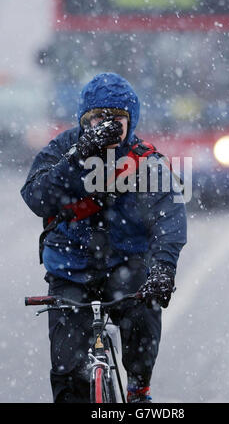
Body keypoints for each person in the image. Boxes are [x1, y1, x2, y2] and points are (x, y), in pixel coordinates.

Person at [21, 72, 187, 403]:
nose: (106, 127)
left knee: (143, 314)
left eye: (117, 119)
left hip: (128, 263)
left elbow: (168, 216)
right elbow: (36, 197)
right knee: (69, 375)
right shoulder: (64, 148)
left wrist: (164, 270)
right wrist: (79, 157)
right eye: (98, 118)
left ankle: (139, 389)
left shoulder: (144, 159)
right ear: (84, 120)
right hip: (70, 267)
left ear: (132, 120)